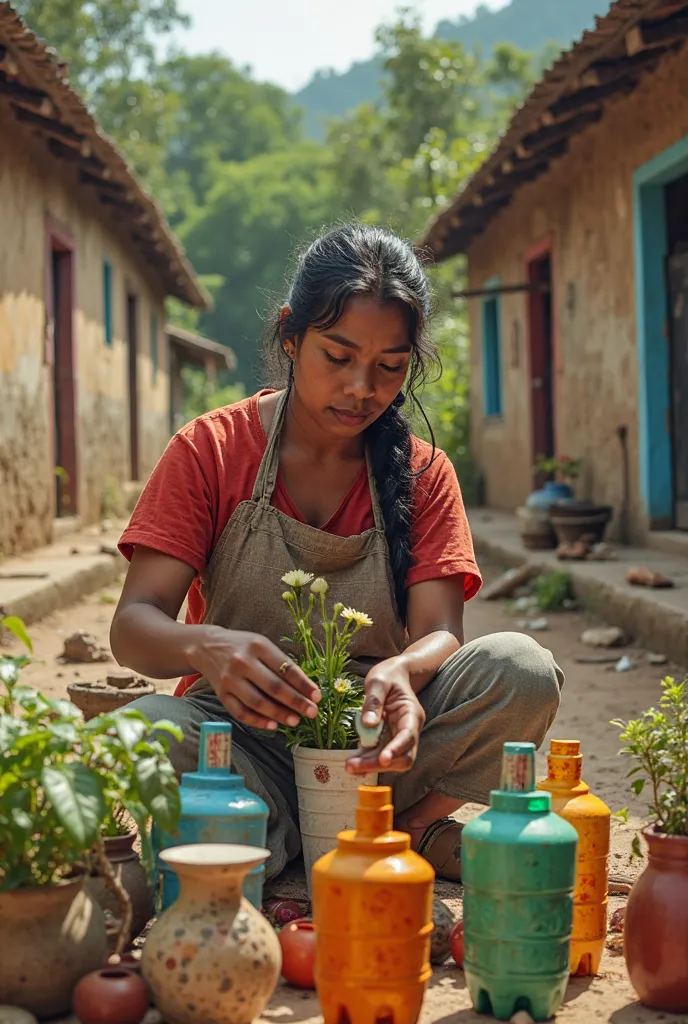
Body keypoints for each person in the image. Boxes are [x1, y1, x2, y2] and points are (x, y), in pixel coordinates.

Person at [112, 223, 563, 883]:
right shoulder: (210, 450)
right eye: (338, 356)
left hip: (378, 750)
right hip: (239, 740)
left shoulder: (422, 472)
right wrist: (205, 646)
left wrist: (402, 674)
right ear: (291, 337)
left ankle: (393, 828)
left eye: (389, 366)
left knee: (521, 668)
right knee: (149, 729)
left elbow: (441, 631)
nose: (361, 388)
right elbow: (133, 627)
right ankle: (325, 834)